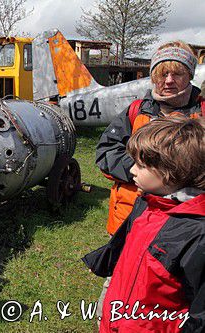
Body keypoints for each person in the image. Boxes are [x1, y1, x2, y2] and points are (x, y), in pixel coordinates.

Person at [93, 41, 203, 320]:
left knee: (176, 291)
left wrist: (167, 180)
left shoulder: (202, 113)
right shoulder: (135, 111)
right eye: (161, 73)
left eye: (176, 73)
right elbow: (106, 151)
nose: (168, 80)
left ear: (190, 75)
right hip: (130, 218)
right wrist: (144, 170)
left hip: (185, 229)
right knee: (121, 279)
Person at [84, 116, 205, 332]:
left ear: (170, 171)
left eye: (141, 164)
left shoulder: (197, 233)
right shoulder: (146, 204)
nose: (131, 170)